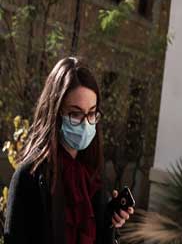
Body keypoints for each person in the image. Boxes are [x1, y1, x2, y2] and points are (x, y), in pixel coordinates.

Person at [4, 57, 135, 244]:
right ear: (55, 113)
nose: (85, 123)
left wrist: (110, 221)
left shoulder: (93, 177)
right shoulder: (29, 176)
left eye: (91, 113)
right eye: (75, 114)